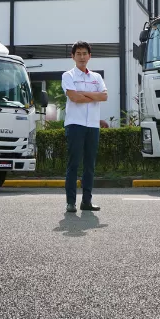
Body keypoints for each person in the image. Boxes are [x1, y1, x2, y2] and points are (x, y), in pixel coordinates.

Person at [61, 41, 107, 213]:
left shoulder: (97, 77)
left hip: (92, 125)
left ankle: (86, 201)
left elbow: (104, 96)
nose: (82, 56)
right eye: (78, 53)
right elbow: (74, 98)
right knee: (73, 164)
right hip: (75, 125)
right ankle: (70, 202)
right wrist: (93, 96)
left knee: (90, 165)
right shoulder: (68, 76)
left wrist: (84, 94)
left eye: (84, 53)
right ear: (72, 56)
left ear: (89, 56)